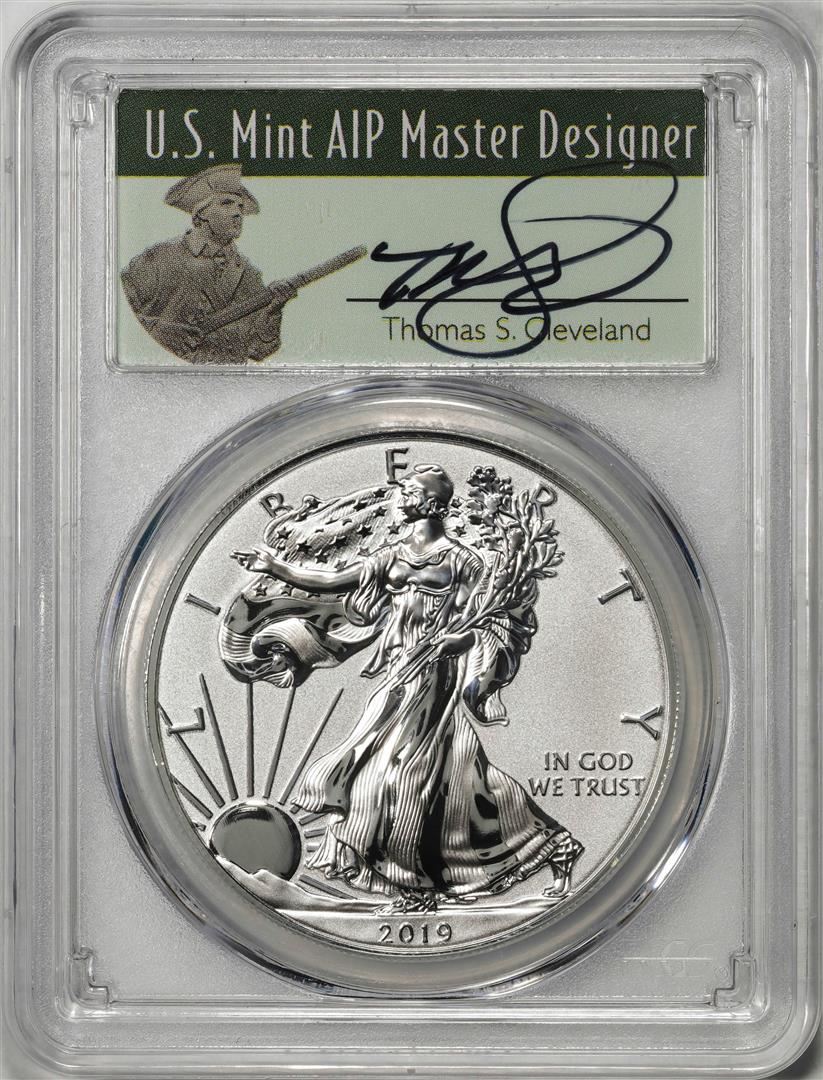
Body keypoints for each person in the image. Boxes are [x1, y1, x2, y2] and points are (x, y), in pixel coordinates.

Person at [233, 464, 583, 913]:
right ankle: (551, 845)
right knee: (450, 772)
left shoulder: (462, 561)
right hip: (401, 667)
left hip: (436, 671)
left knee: (404, 772)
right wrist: (275, 567)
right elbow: (334, 581)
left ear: (433, 503)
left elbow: (489, 620)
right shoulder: (392, 555)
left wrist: (461, 640)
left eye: (411, 492)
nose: (402, 498)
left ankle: (415, 886)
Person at [121, 163, 296, 364]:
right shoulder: (160, 258)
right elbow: (120, 316)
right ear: (202, 213)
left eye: (240, 207)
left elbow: (259, 350)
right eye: (227, 203)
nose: (238, 213)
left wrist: (273, 310)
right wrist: (161, 332)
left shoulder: (249, 274)